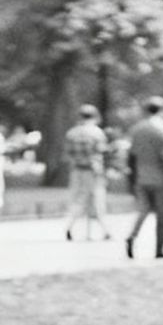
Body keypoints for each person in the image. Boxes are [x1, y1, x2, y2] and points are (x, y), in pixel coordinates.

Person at [125, 96, 163, 259]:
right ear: (162, 110)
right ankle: (159, 249)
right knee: (161, 215)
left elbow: (131, 156)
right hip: (160, 178)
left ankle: (132, 236)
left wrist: (132, 179)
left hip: (141, 176)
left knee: (143, 210)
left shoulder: (137, 129)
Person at [63, 104, 109, 242]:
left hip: (76, 170)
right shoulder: (97, 132)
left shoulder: (71, 133)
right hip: (93, 171)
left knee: (79, 199)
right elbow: (101, 151)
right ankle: (105, 230)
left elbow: (67, 154)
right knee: (96, 200)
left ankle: (71, 226)